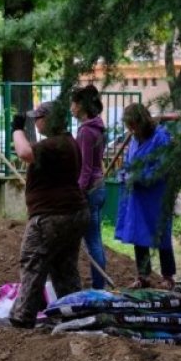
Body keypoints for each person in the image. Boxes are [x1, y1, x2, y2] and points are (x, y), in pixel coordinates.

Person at [8, 101, 89, 329]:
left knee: (33, 261)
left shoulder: (55, 144)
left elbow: (24, 152)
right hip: (73, 212)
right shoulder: (68, 142)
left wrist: (16, 129)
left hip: (52, 216)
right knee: (63, 268)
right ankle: (72, 314)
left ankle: (22, 316)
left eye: (39, 117)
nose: (36, 121)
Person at [114, 103, 177, 290]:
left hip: (156, 195)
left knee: (160, 233)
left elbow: (163, 167)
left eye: (133, 125)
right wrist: (124, 175)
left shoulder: (161, 138)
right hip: (137, 196)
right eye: (129, 126)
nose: (131, 130)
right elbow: (128, 162)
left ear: (142, 121)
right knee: (138, 234)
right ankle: (143, 276)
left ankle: (168, 276)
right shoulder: (134, 139)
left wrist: (140, 177)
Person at [70, 85, 108, 289]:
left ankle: (98, 287)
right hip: (99, 186)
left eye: (74, 103)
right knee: (95, 239)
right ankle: (98, 284)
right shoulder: (98, 127)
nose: (71, 108)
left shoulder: (86, 131)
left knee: (92, 240)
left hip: (90, 190)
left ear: (82, 106)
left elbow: (84, 169)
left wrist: (77, 193)